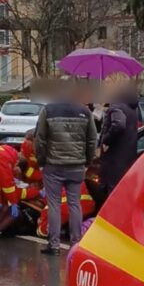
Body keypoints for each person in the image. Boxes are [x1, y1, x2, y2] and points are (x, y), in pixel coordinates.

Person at [35, 81, 98, 255]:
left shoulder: (48, 110)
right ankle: (76, 243)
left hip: (53, 165)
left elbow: (40, 138)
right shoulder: (85, 112)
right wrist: (87, 162)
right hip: (77, 165)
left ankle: (54, 245)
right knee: (74, 203)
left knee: (54, 204)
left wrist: (41, 161)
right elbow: (92, 139)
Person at [98, 82, 139, 196]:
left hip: (114, 160)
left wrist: (106, 140)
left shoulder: (116, 106)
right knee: (122, 192)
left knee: (112, 193)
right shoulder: (131, 108)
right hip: (127, 159)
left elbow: (119, 124)